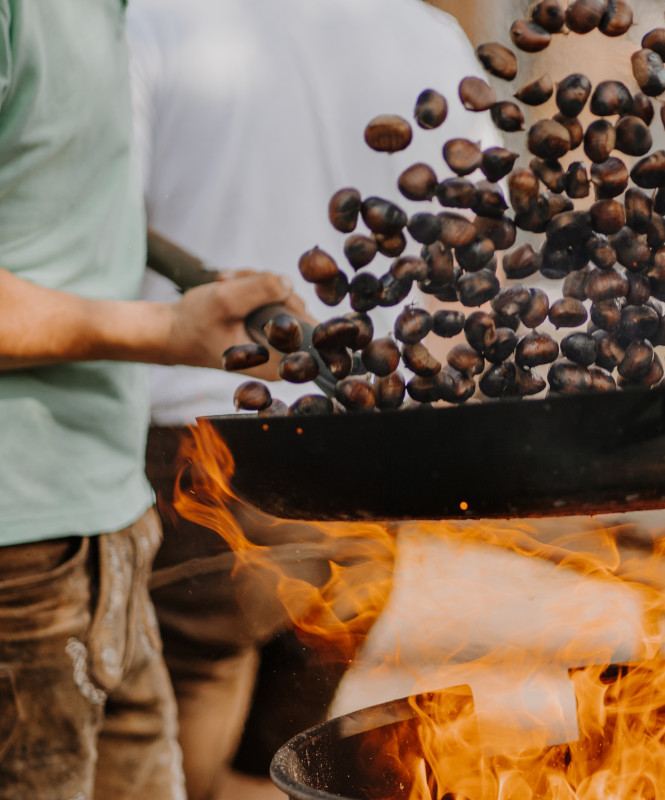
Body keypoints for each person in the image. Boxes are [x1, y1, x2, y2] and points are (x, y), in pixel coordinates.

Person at [126, 1, 499, 797]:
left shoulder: (146, 21)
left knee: (187, 730)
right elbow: (472, 257)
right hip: (373, 437)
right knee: (291, 747)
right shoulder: (425, 32)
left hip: (200, 435)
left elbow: (92, 223)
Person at [0, 1, 300, 798]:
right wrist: (167, 330)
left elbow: (60, 198)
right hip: (18, 554)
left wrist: (193, 278)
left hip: (109, 521)